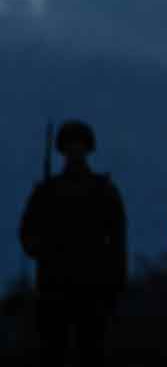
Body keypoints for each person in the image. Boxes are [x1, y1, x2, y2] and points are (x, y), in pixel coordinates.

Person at [19, 120, 126, 367]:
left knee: (92, 351)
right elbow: (27, 231)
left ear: (88, 149)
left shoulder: (103, 190)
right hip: (54, 284)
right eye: (70, 145)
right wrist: (38, 247)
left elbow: (118, 239)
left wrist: (116, 281)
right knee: (52, 351)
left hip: (93, 286)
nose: (74, 150)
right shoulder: (47, 191)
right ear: (63, 150)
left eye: (79, 145)